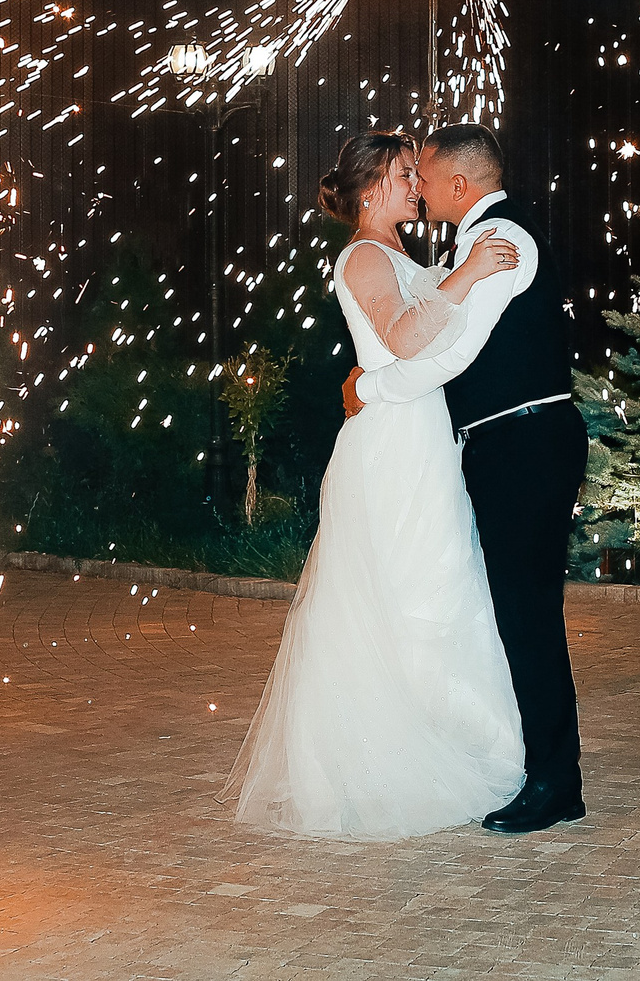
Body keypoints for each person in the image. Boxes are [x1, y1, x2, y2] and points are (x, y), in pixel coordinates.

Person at [225, 130, 527, 838]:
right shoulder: (362, 255)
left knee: (439, 581)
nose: (416, 184)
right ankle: (385, 764)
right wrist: (469, 271)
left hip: (419, 433)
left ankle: (452, 741)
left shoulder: (397, 253)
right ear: (370, 190)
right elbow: (401, 337)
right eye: (401, 175)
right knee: (410, 586)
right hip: (391, 446)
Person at [341, 120, 588, 834]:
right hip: (502, 444)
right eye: (402, 174)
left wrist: (372, 391)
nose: (415, 183)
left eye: (421, 173)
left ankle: (553, 783)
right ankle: (534, 768)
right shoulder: (476, 242)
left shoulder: (499, 243)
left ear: (458, 184)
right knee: (510, 609)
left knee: (527, 613)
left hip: (524, 445)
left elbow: (453, 353)